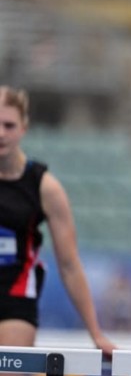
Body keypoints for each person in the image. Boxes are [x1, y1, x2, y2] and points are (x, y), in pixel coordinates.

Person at [0, 86, 115, 358]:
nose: (1, 133)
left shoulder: (45, 187)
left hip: (15, 298)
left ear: (24, 128)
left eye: (9, 125)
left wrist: (96, 334)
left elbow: (69, 264)